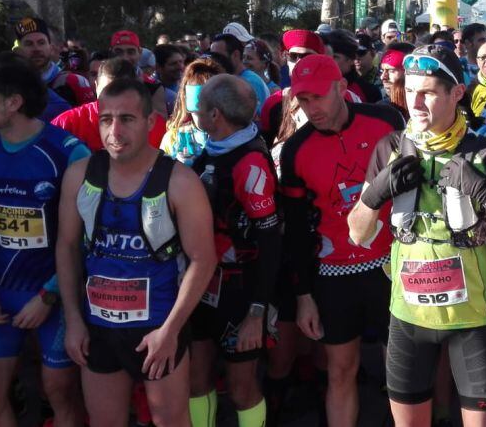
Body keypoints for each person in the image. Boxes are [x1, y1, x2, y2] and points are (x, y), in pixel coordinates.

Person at [347, 44, 486, 427]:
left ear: (456, 93)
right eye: (408, 89)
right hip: (408, 318)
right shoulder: (390, 148)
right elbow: (357, 235)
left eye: (428, 92)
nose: (414, 102)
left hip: (472, 320)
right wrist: (374, 194)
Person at [55, 78, 216, 427]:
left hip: (157, 325)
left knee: (170, 420)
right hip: (98, 326)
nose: (115, 130)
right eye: (106, 119)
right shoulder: (79, 175)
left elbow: (204, 260)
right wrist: (74, 322)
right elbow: (67, 248)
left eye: (127, 119)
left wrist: (171, 330)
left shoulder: (180, 181)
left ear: (149, 122)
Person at [279, 54, 404, 427]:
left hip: (391, 264)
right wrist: (303, 296)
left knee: (399, 373)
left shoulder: (385, 120)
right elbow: (298, 231)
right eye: (302, 100)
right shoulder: (296, 149)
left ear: (341, 88)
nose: (311, 107)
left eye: (318, 96)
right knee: (340, 370)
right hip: (334, 273)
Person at [0, 53, 87, 427]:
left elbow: (84, 236)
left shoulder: (68, 152)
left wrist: (50, 293)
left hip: (56, 291)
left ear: (13, 101)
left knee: (59, 393)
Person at [187, 75, 281, 427]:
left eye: (199, 107)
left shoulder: (250, 163)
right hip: (201, 286)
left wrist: (257, 312)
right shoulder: (210, 151)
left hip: (240, 293)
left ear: (215, 116)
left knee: (242, 388)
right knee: (196, 381)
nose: (193, 113)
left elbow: (271, 241)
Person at [52, 58, 167, 152]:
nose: (114, 100)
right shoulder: (67, 123)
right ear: (96, 87)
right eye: (107, 92)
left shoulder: (154, 125)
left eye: (122, 92)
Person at [13, 17, 95, 108]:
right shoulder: (11, 86)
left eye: (41, 43)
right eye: (29, 44)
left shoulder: (74, 82)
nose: (36, 49)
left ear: (51, 48)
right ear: (18, 51)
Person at [259, 29, 325, 141]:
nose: (299, 62)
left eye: (306, 56)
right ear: (286, 57)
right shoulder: (274, 102)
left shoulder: (338, 97)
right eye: (293, 56)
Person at [161, 57, 225, 166]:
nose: (206, 117)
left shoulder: (233, 136)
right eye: (198, 111)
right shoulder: (174, 138)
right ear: (185, 98)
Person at [109, 30, 168, 118]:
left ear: (139, 52)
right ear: (110, 52)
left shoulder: (152, 86)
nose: (125, 57)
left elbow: (159, 124)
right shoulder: (101, 81)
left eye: (131, 52)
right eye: (118, 52)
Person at [210, 33, 271, 110]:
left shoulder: (251, 83)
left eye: (218, 56)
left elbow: (254, 120)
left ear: (235, 55)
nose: (214, 61)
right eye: (212, 56)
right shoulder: (229, 79)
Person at [323, 29, 381, 103]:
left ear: (351, 59)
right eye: (325, 56)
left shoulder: (369, 92)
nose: (328, 61)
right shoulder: (314, 85)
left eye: (334, 57)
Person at [379, 42, 414, 120]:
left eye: (391, 70)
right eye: (382, 70)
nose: (383, 77)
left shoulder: (424, 107)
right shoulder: (380, 110)